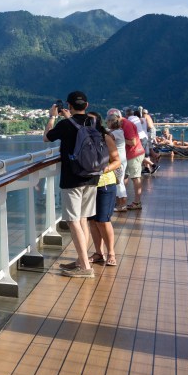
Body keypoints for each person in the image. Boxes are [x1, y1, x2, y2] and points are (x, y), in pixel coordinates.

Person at [44, 91, 101, 278]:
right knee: (83, 218)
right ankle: (80, 261)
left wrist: (52, 117)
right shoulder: (93, 122)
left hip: (72, 178)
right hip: (92, 176)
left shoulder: (66, 125)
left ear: (68, 106)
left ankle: (85, 267)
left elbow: (47, 137)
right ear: (87, 105)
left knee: (73, 221)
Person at [84, 112, 122, 266]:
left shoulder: (106, 137)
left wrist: (103, 170)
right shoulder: (82, 139)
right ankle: (99, 253)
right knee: (92, 221)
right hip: (88, 184)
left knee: (103, 220)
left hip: (105, 183)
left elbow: (117, 161)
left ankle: (111, 252)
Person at [120, 109, 145, 210]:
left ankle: (137, 202)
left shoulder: (126, 124)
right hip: (131, 154)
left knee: (135, 177)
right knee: (125, 176)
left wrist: (118, 138)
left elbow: (133, 142)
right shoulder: (125, 123)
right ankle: (121, 199)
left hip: (134, 153)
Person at [106, 109, 128, 212]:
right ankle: (120, 203)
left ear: (111, 122)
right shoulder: (119, 131)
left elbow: (106, 138)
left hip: (119, 160)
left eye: (108, 121)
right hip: (121, 159)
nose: (106, 123)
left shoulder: (115, 133)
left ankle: (122, 205)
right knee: (119, 181)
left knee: (119, 182)